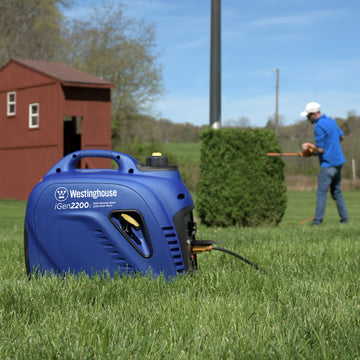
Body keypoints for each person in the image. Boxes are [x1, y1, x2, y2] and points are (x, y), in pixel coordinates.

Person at [300, 101, 349, 225]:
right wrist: (320, 151)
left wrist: (309, 145)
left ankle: (317, 222)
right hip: (338, 162)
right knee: (336, 191)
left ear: (314, 114)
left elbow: (321, 149)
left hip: (328, 164)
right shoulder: (332, 121)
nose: (307, 118)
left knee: (321, 192)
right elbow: (341, 137)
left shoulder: (318, 126)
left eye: (308, 115)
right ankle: (345, 220)